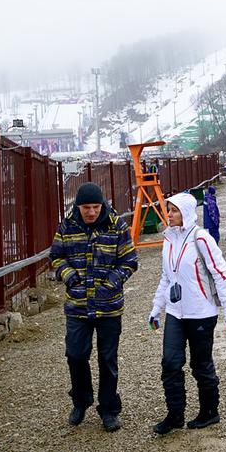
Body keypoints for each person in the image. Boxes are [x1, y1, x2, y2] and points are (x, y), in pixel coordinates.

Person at [49, 182, 138, 432]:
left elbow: (129, 260)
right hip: (77, 307)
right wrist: (69, 277)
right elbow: (56, 256)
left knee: (107, 359)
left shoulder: (116, 224)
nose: (91, 212)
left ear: (102, 205)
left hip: (108, 306)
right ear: (78, 207)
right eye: (86, 207)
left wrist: (111, 283)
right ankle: (81, 400)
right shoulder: (67, 225)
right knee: (76, 356)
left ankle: (109, 409)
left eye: (95, 207)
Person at [149, 193, 226, 435]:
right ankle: (175, 414)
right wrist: (156, 309)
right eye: (168, 210)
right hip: (176, 313)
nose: (169, 215)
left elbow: (221, 273)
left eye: (174, 211)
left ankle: (210, 411)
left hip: (201, 312)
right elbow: (167, 277)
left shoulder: (201, 238)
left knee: (201, 365)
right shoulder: (168, 239)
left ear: (186, 212)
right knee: (170, 363)